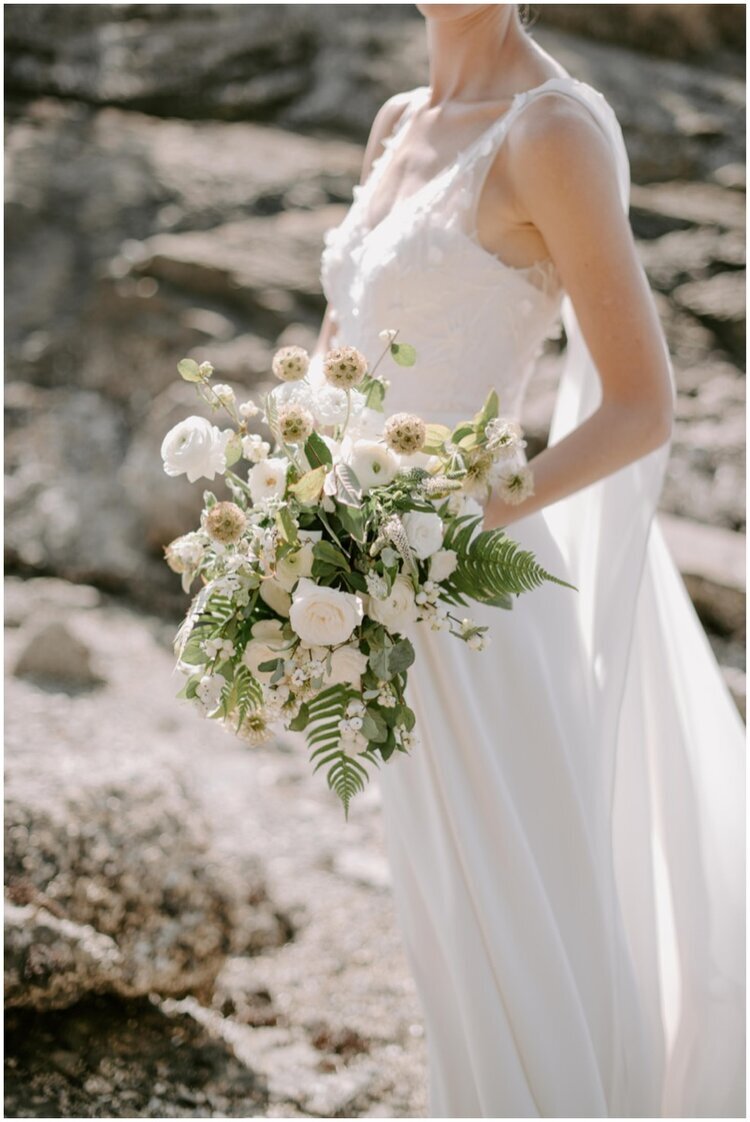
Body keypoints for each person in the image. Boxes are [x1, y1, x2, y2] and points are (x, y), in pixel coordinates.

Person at [312, 4, 746, 1117]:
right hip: (364, 582)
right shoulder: (400, 119)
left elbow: (644, 406)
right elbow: (341, 356)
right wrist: (292, 502)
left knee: (519, 922)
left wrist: (453, 523)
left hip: (476, 591)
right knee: (447, 923)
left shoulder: (553, 130)